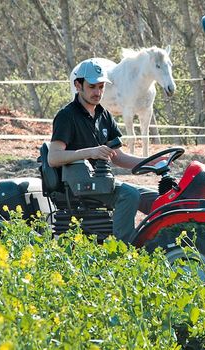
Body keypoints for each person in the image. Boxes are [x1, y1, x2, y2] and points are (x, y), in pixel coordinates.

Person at [48, 58, 157, 244]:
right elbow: (53, 157)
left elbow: (118, 157)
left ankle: (158, 244)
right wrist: (90, 152)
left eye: (101, 87)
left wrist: (151, 162)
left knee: (156, 199)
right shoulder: (66, 116)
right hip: (78, 184)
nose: (97, 92)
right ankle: (124, 251)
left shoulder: (103, 114)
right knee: (129, 195)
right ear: (78, 85)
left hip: (101, 182)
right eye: (92, 87)